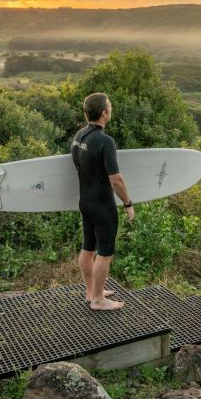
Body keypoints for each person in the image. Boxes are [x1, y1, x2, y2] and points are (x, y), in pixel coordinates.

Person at [71, 92, 135, 311]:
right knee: (105, 253)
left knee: (88, 248)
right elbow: (115, 179)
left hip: (85, 202)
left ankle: (91, 292)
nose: (111, 109)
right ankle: (98, 300)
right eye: (110, 105)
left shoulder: (79, 136)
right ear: (105, 113)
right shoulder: (105, 141)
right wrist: (128, 203)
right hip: (102, 205)